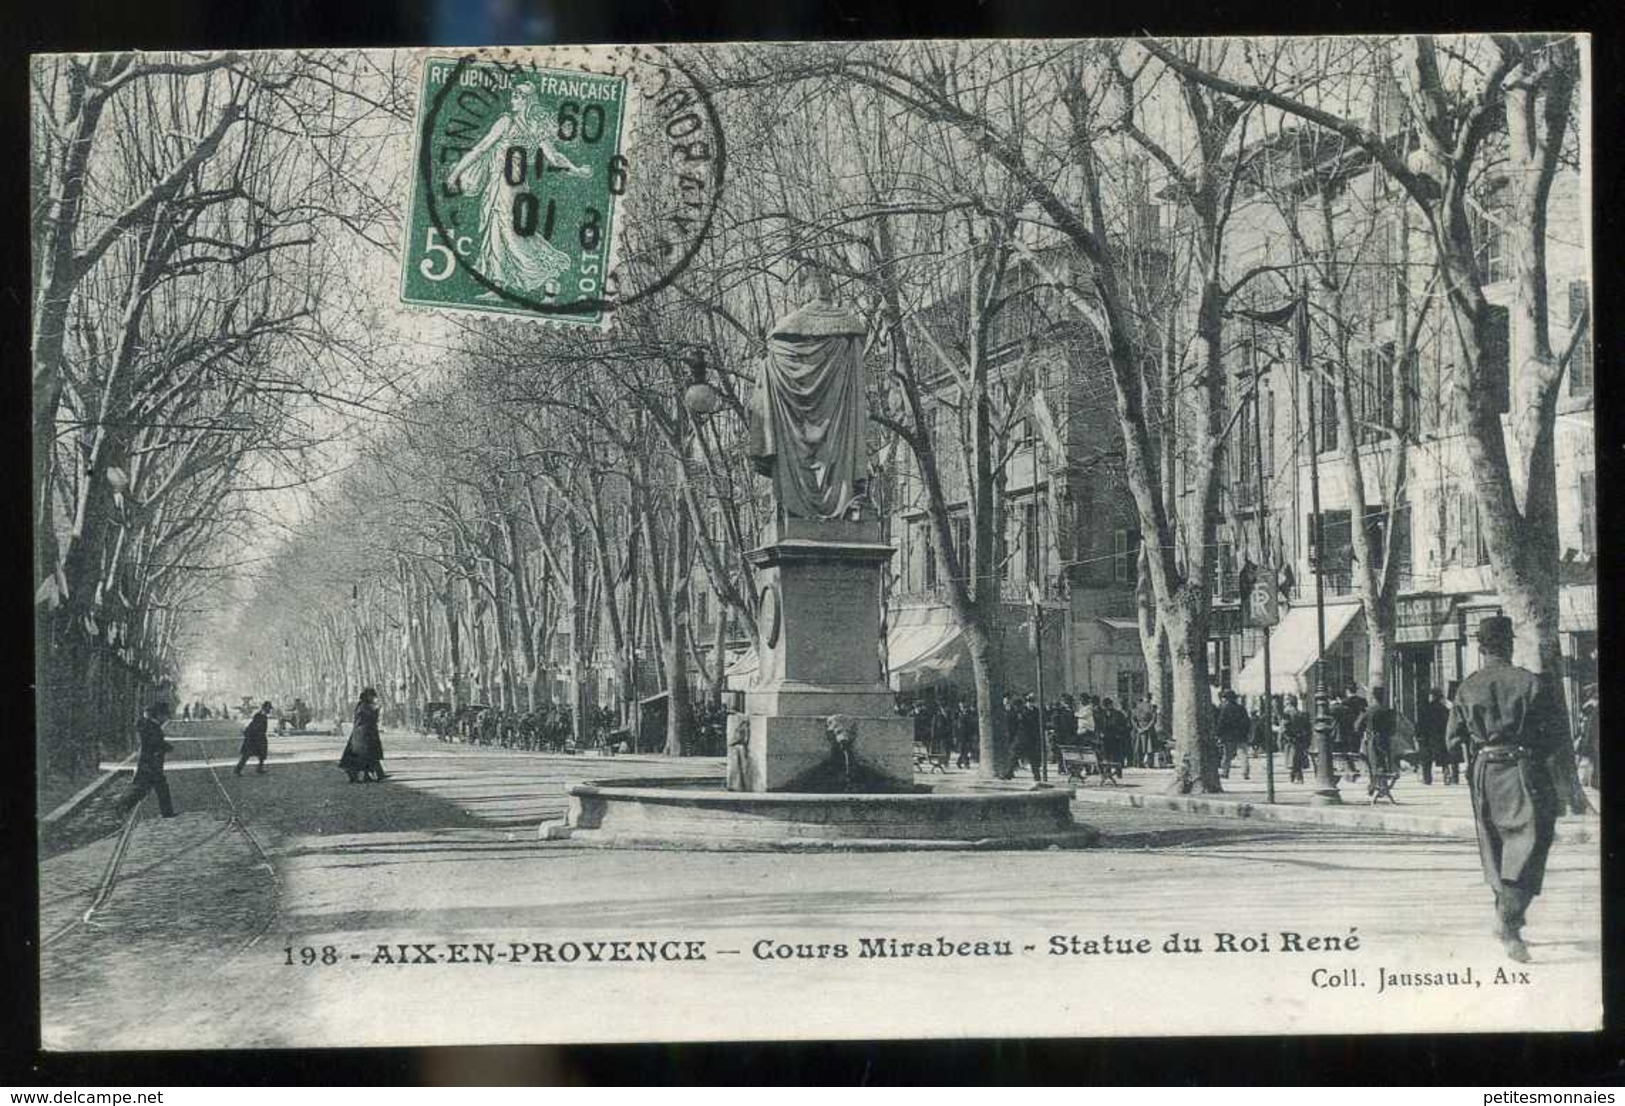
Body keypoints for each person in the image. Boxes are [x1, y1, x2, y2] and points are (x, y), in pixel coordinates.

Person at [1448, 615, 1585, 963]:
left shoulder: (1467, 686)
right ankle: (1510, 924)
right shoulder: (1532, 684)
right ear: (1509, 644)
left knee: (1494, 845)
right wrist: (1563, 786)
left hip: (1483, 775)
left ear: (1481, 647)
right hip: (1524, 772)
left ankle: (1506, 915)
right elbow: (1554, 740)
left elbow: (1453, 740)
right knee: (1530, 842)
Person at [118, 701, 177, 818]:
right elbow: (154, 743)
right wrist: (166, 747)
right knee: (145, 789)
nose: (165, 719)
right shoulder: (151, 726)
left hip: (151, 762)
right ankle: (122, 806)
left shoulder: (150, 725)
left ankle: (167, 812)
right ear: (159, 715)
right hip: (150, 763)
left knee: (152, 787)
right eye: (164, 715)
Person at [1356, 686, 1398, 796]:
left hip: (1372, 740)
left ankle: (1375, 785)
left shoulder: (1369, 710)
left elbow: (1357, 726)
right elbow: (1393, 728)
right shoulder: (1387, 711)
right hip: (1385, 740)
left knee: (1373, 763)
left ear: (1373, 696)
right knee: (1382, 762)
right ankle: (1380, 785)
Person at [339, 688, 387, 783]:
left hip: (363, 734)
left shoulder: (362, 706)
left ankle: (367, 775)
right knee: (367, 755)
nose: (373, 698)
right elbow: (370, 717)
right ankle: (366, 775)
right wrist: (377, 710)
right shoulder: (364, 707)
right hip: (364, 734)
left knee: (366, 756)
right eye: (372, 696)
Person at [1417, 687, 1451, 785]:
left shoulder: (1425, 709)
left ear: (1432, 696)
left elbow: (1420, 724)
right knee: (1444, 759)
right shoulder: (1444, 709)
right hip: (1440, 737)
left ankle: (1427, 779)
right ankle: (1446, 776)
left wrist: (1418, 734)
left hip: (1427, 737)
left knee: (1426, 760)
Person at [1215, 689, 1251, 780]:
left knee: (1227, 755)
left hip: (1228, 736)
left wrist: (1219, 734)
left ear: (1226, 699)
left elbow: (1221, 723)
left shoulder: (1224, 709)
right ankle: (1245, 773)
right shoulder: (1241, 708)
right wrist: (1246, 733)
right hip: (1241, 736)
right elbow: (1247, 722)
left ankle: (1225, 772)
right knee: (1243, 755)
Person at [234, 700, 273, 776]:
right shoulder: (259, 715)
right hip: (253, 737)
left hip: (259, 737)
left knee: (262, 753)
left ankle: (259, 768)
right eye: (269, 708)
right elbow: (254, 726)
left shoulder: (262, 715)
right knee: (247, 754)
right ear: (266, 708)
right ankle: (238, 769)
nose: (270, 710)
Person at [1282, 695, 1312, 784]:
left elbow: (1284, 728)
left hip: (1291, 739)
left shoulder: (1287, 713)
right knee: (1297, 757)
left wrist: (1284, 738)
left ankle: (1295, 776)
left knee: (1293, 758)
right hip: (1300, 738)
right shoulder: (1300, 713)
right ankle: (1297, 776)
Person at [1132, 696, 1158, 768]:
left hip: (1144, 729)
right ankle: (1145, 763)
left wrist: (1139, 728)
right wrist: (1140, 728)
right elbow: (1154, 719)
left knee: (1147, 747)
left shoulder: (1140, 707)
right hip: (1145, 729)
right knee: (1145, 747)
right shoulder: (1149, 707)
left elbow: (1133, 719)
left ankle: (1141, 763)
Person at [954, 700, 977, 769]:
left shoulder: (969, 713)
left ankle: (960, 762)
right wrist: (955, 736)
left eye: (964, 706)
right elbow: (955, 725)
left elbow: (972, 724)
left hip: (967, 734)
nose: (963, 707)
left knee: (966, 750)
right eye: (961, 706)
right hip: (960, 735)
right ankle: (965, 763)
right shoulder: (957, 714)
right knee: (963, 750)